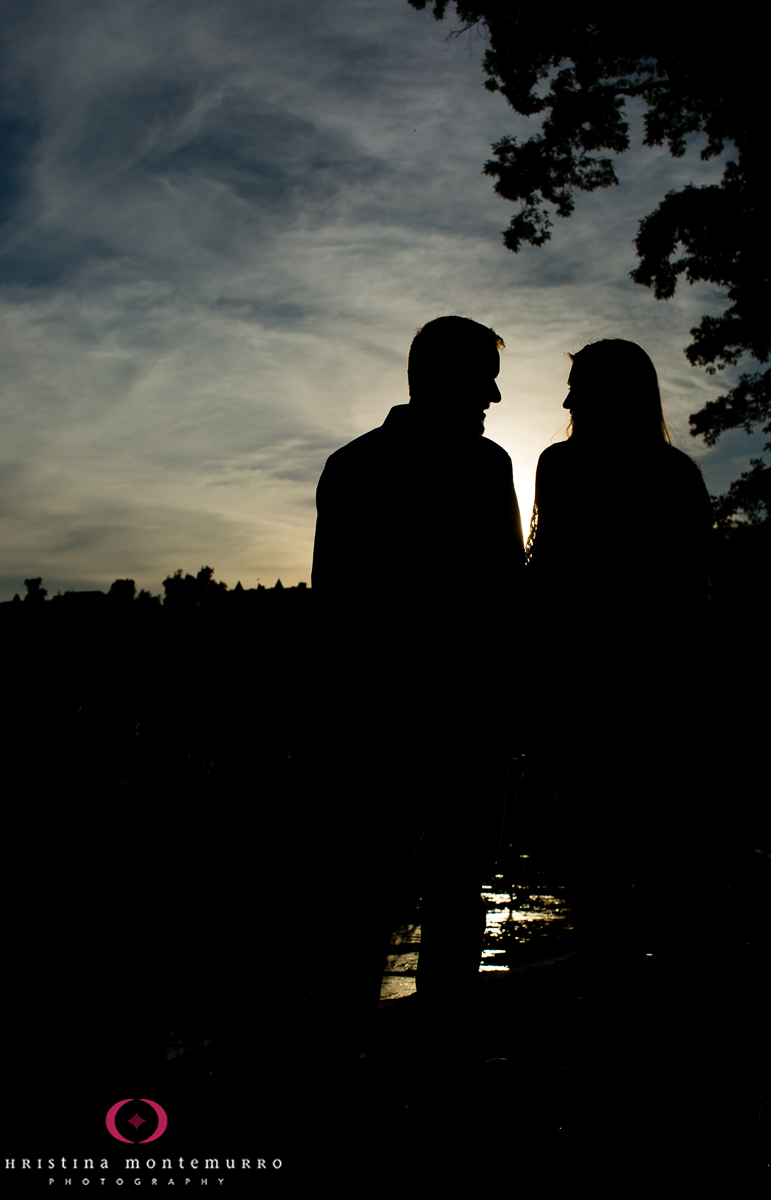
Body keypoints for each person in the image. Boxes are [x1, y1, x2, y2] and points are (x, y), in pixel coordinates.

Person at [309, 315, 524, 1071]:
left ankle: (346, 1052)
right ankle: (431, 1058)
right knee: (430, 892)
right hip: (444, 720)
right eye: (482, 376)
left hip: (402, 720)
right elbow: (508, 596)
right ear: (438, 377)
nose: (496, 394)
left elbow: (332, 610)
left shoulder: (354, 464)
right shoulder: (483, 466)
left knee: (374, 892)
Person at [524, 338, 713, 949]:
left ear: (607, 392)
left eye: (578, 385)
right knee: (659, 874)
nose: (567, 397)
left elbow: (546, 584)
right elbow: (696, 597)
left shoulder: (562, 466)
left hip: (598, 696)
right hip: (655, 693)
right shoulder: (676, 473)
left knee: (603, 876)